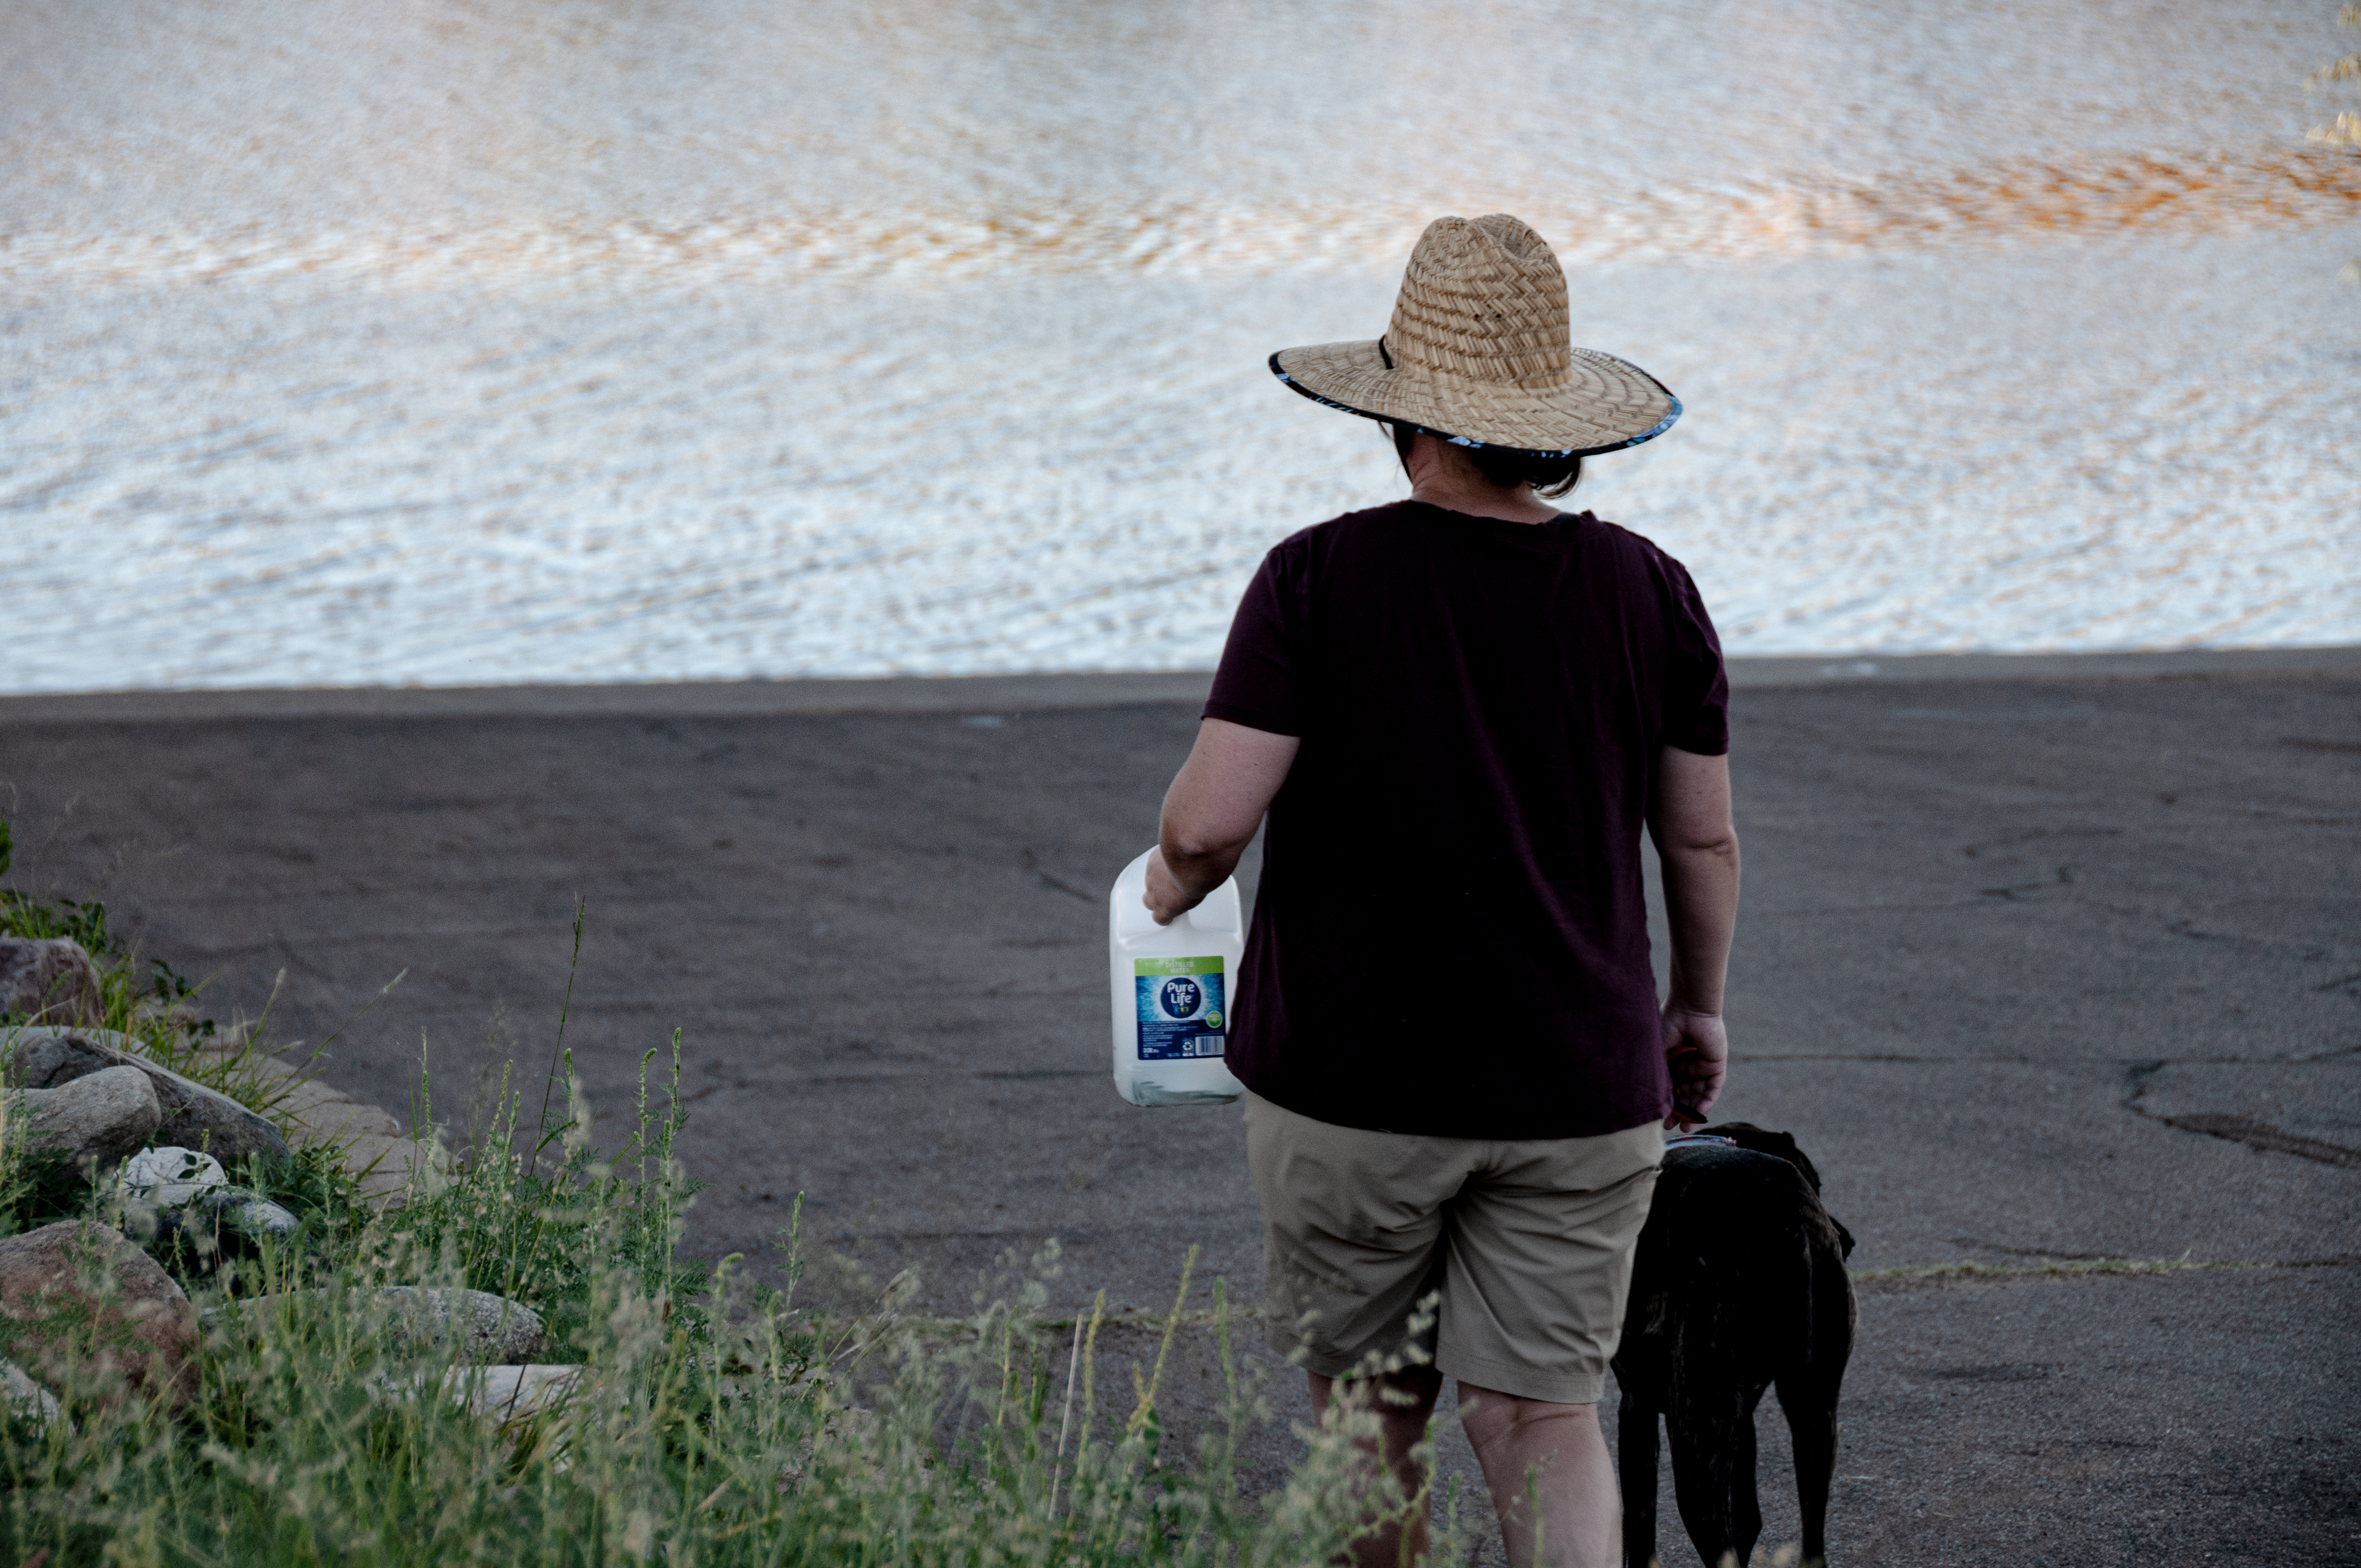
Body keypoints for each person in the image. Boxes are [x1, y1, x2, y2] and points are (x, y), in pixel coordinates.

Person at [1142, 214, 1739, 1568]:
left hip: (1350, 1083)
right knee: (1540, 1411)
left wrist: (1168, 884)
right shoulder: (1651, 591)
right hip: (1578, 1085)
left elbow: (1211, 823)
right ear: (1554, 424)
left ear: (1400, 412)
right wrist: (1692, 1010)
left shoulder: (1315, 577)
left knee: (1368, 1408)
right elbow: (1698, 845)